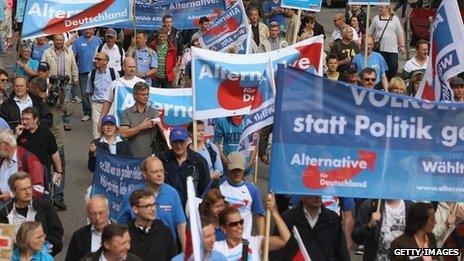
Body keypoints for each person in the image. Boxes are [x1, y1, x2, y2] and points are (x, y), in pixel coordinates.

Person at [117, 156, 187, 251]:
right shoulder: (132, 195)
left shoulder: (172, 193)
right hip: (139, 250)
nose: (160, 175)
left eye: (162, 171)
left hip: (167, 250)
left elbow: (181, 225)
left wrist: (186, 253)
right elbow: (121, 226)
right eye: (155, 172)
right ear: (144, 174)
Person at [0, 172, 63, 256]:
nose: (28, 192)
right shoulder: (5, 214)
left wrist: (44, 248)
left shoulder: (43, 206)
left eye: (30, 187)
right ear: (13, 192)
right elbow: (4, 249)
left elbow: (57, 232)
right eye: (23, 189)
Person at [213, 194, 291, 260]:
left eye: (241, 222)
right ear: (223, 228)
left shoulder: (254, 243)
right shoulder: (216, 248)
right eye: (234, 224)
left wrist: (274, 211)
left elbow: (285, 240)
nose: (239, 226)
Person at [273, 195, 350, 260]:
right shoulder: (288, 218)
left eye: (320, 192)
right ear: (301, 195)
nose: (317, 196)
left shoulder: (333, 219)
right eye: (312, 192)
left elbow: (342, 253)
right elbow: (276, 252)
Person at [15, 107, 64, 208]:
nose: (24, 122)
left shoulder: (47, 134)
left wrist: (59, 172)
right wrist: (15, 136)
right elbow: (10, 151)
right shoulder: (19, 133)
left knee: (42, 200)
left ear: (36, 119)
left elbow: (54, 153)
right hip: (23, 173)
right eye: (23, 119)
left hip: (42, 173)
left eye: (27, 119)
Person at [214, 152, 265, 239]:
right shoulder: (218, 185)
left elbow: (259, 215)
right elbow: (205, 206)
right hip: (220, 240)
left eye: (240, 170)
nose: (237, 173)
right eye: (234, 170)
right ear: (228, 168)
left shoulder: (252, 190)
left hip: (243, 241)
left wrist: (260, 239)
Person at [159, 126, 210, 206]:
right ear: (170, 142)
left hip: (191, 209)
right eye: (175, 142)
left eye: (181, 142)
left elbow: (205, 189)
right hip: (167, 207)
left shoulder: (199, 161)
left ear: (187, 141)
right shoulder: (161, 159)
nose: (178, 145)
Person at [120, 81, 167, 158]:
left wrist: (157, 124)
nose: (146, 97)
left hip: (150, 157)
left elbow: (161, 130)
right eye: (143, 94)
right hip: (132, 156)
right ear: (135, 96)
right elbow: (124, 133)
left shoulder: (153, 112)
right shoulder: (127, 112)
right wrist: (142, 126)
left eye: (147, 94)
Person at [127, 189, 177, 260]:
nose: (153, 209)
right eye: (148, 206)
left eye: (154, 205)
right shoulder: (126, 233)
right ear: (135, 209)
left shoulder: (165, 232)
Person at [0, 130, 45, 199]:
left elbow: (38, 189)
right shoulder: (2, 158)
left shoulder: (30, 160)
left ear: (6, 145)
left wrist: (11, 194)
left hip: (18, 204)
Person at [65, 195, 111, 261]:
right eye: (93, 214)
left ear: (108, 211)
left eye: (101, 213)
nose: (97, 218)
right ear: (88, 215)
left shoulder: (122, 233)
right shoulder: (79, 236)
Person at [73, 28, 102, 122]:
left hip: (97, 71)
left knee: (97, 92)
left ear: (93, 30)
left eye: (90, 29)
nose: (87, 31)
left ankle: (98, 112)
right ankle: (87, 113)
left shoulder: (98, 40)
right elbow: (73, 56)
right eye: (86, 29)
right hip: (83, 71)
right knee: (85, 94)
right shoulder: (77, 41)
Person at [368, 4, 405, 79]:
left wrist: (402, 46)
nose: (380, 9)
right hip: (380, 49)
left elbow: (400, 33)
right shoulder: (376, 19)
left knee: (393, 67)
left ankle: (391, 82)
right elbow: (369, 32)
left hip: (392, 49)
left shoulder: (395, 19)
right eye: (380, 7)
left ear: (388, 9)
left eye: (382, 8)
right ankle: (384, 84)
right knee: (383, 69)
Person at [41, 34, 79, 106]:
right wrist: (46, 81)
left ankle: (65, 117)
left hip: (66, 83)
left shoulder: (69, 52)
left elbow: (74, 66)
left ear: (63, 41)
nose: (59, 42)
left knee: (65, 105)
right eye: (57, 40)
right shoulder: (47, 52)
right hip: (52, 83)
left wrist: (75, 78)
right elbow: (43, 68)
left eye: (61, 40)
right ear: (53, 41)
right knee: (52, 104)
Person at [87, 52, 118, 139]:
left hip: (110, 105)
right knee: (97, 130)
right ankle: (98, 150)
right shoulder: (91, 74)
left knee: (110, 129)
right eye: (95, 59)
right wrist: (92, 105)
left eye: (98, 59)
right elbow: (89, 91)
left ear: (106, 62)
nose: (95, 60)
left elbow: (118, 89)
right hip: (97, 105)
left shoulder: (114, 73)